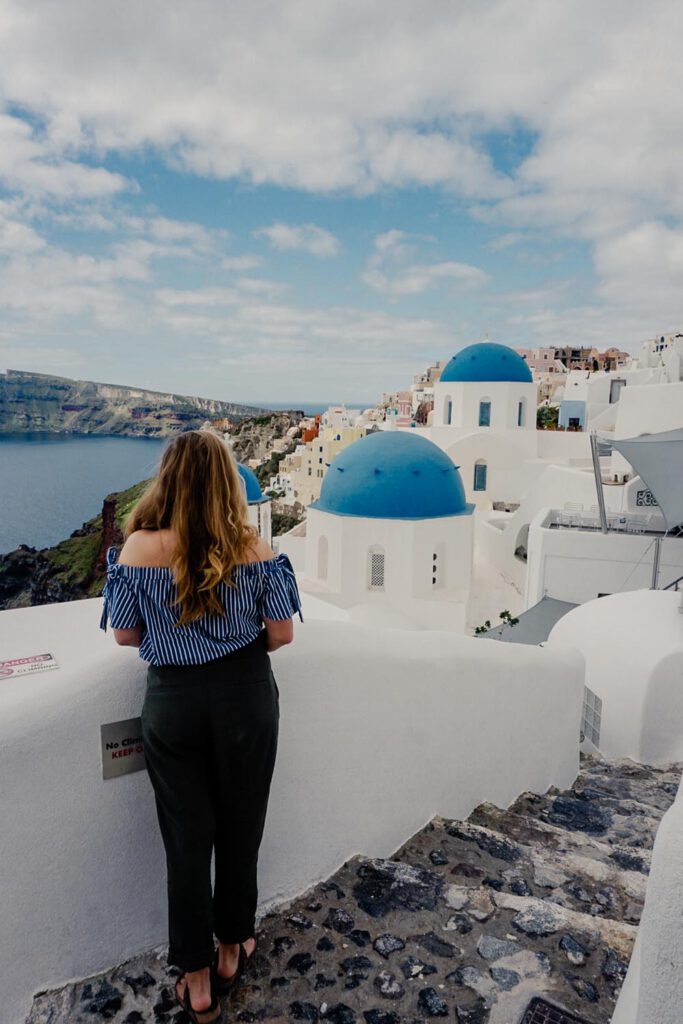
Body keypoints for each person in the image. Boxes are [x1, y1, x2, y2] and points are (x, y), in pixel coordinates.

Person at [99, 430, 303, 1024]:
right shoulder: (255, 549)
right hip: (245, 699)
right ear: (226, 482)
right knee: (243, 827)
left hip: (174, 703)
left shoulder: (138, 549)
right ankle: (233, 948)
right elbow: (282, 635)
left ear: (169, 479)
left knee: (186, 843)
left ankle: (197, 980)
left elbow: (126, 634)